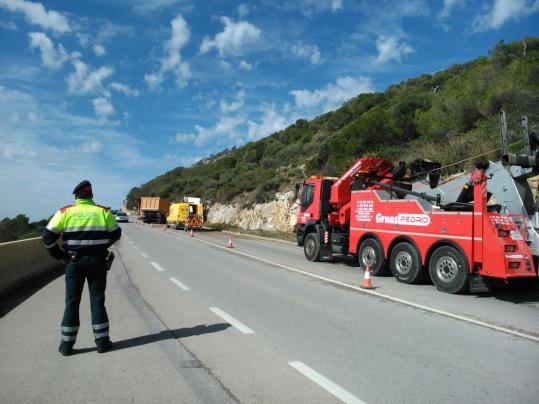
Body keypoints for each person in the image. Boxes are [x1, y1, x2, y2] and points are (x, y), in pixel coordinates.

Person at [42, 180, 122, 356]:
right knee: (97, 300)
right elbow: (116, 233)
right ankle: (102, 342)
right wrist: (103, 245)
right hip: (98, 262)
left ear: (76, 196)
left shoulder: (65, 212)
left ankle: (66, 345)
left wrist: (60, 256)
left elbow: (47, 237)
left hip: (73, 263)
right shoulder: (103, 212)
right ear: (91, 196)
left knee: (72, 301)